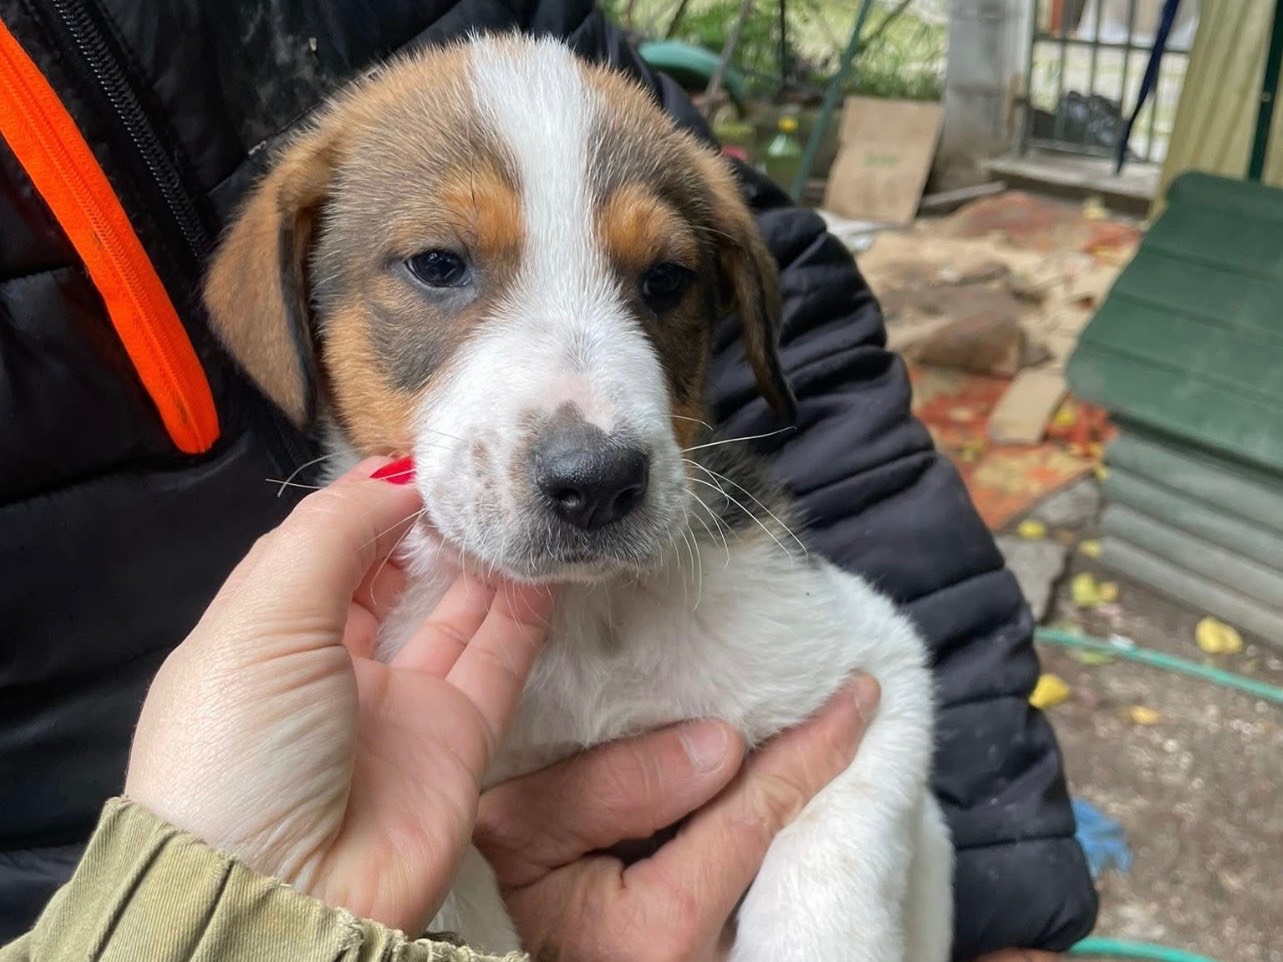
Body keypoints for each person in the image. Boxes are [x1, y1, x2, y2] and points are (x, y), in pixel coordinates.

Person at [0, 1, 1095, 958]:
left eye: (658, 277)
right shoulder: (347, 689)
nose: (592, 436)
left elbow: (885, 674)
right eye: (439, 265)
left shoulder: (729, 581)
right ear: (293, 307)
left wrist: (822, 920)